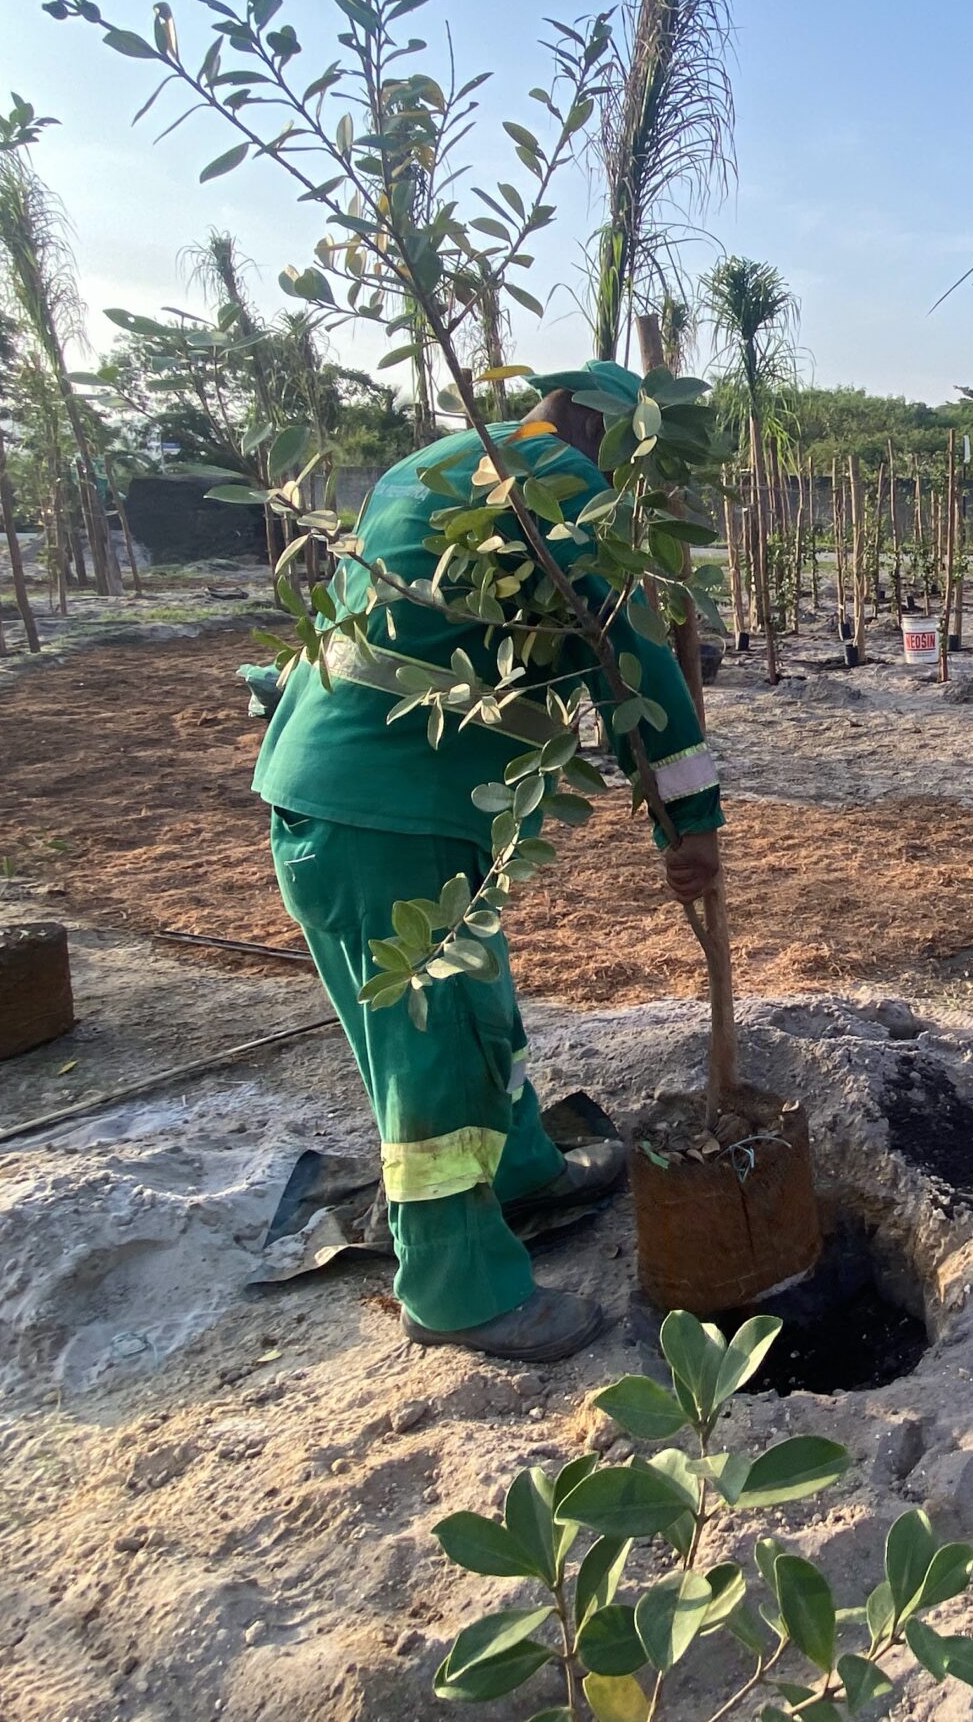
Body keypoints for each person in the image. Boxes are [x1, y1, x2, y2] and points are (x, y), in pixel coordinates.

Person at [253, 361, 723, 1364]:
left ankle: (519, 1169)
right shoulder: (562, 492)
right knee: (434, 1052)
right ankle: (457, 1286)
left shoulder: (435, 463)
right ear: (607, 434)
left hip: (366, 798)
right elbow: (633, 666)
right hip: (385, 814)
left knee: (480, 1005)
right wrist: (691, 824)